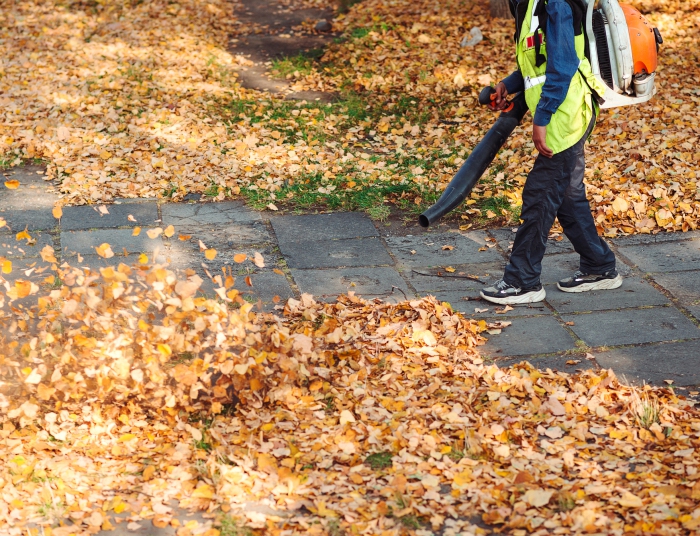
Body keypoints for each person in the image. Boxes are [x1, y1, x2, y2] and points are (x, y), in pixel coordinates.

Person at [480, 0, 622, 305]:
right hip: (561, 109)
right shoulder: (527, 4)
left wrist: (541, 118)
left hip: (564, 114)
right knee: (568, 196)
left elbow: (564, 64)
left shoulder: (554, 2)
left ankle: (522, 281)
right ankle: (599, 266)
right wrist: (509, 83)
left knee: (540, 194)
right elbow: (540, 62)